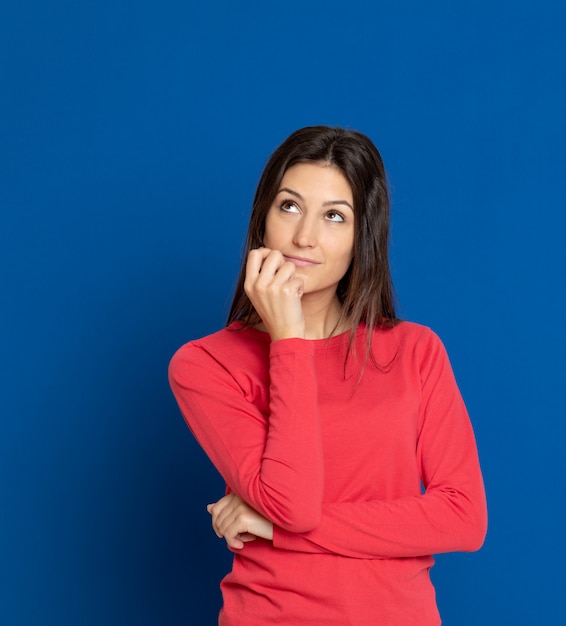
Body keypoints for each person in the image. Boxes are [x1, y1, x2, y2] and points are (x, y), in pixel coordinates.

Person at [168, 125, 487, 625]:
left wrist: (275, 529)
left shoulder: (415, 351)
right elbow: (292, 505)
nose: (304, 237)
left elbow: (463, 518)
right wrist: (290, 340)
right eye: (289, 206)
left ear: (363, 237)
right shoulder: (206, 365)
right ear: (263, 218)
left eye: (334, 216)